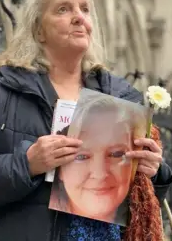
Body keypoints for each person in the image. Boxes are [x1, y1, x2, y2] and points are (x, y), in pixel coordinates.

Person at [0, 0, 172, 241]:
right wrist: (27, 164)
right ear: (38, 30)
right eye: (63, 9)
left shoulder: (122, 97)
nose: (79, 17)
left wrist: (152, 174)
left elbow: (141, 208)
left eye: (85, 9)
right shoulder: (1, 90)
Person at [49, 92, 146, 226]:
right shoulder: (37, 224)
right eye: (82, 156)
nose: (99, 173)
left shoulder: (145, 228)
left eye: (116, 154)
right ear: (60, 169)